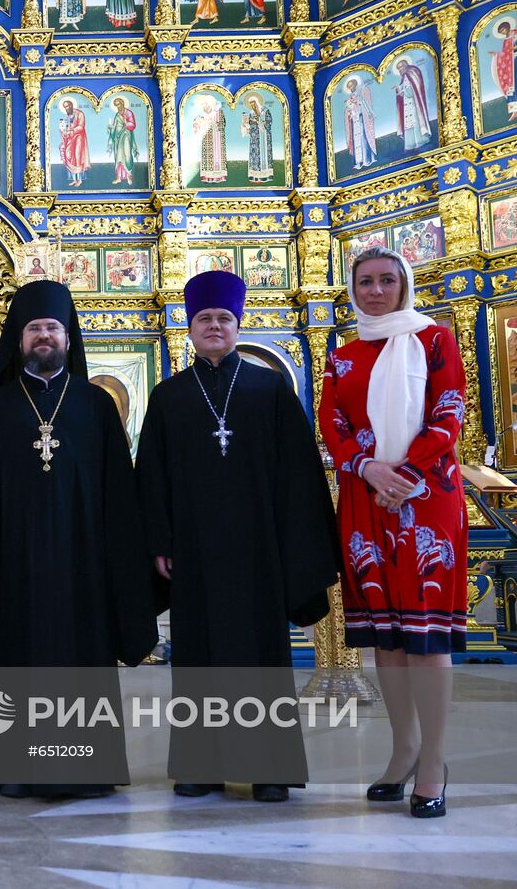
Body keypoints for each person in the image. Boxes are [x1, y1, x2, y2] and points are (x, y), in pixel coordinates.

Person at [0, 280, 158, 798]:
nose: (44, 336)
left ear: (68, 338)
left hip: (83, 567)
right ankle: (14, 768)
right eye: (34, 329)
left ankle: (87, 768)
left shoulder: (97, 406)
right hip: (14, 569)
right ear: (19, 340)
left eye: (53, 328)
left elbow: (119, 496)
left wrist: (119, 565)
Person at [136, 271, 341, 803]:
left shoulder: (269, 389)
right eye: (204, 318)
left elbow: (298, 475)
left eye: (224, 318)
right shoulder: (168, 396)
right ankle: (200, 766)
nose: (214, 326)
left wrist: (294, 545)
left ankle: (268, 768)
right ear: (190, 326)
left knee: (261, 656)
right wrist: (160, 541)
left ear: (238, 325)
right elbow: (151, 476)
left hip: (259, 549)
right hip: (194, 550)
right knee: (198, 656)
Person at [320, 246, 467, 819]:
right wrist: (370, 470)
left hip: (426, 497)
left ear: (404, 284)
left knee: (426, 637)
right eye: (365, 281)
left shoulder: (435, 340)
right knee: (388, 638)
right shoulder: (342, 357)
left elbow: (449, 413)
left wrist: (402, 475)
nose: (376, 291)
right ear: (352, 289)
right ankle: (404, 747)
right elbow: (333, 423)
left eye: (386, 280)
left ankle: (433, 761)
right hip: (365, 498)